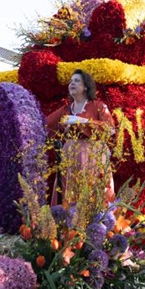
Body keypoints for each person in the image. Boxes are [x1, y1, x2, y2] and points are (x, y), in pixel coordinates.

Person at [45, 69, 115, 205]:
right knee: (68, 190)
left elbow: (110, 129)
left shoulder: (98, 106)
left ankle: (95, 223)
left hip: (93, 154)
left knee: (93, 191)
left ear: (86, 86)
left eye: (76, 81)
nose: (72, 83)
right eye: (71, 81)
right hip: (70, 155)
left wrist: (83, 121)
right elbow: (45, 126)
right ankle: (68, 222)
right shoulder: (65, 110)